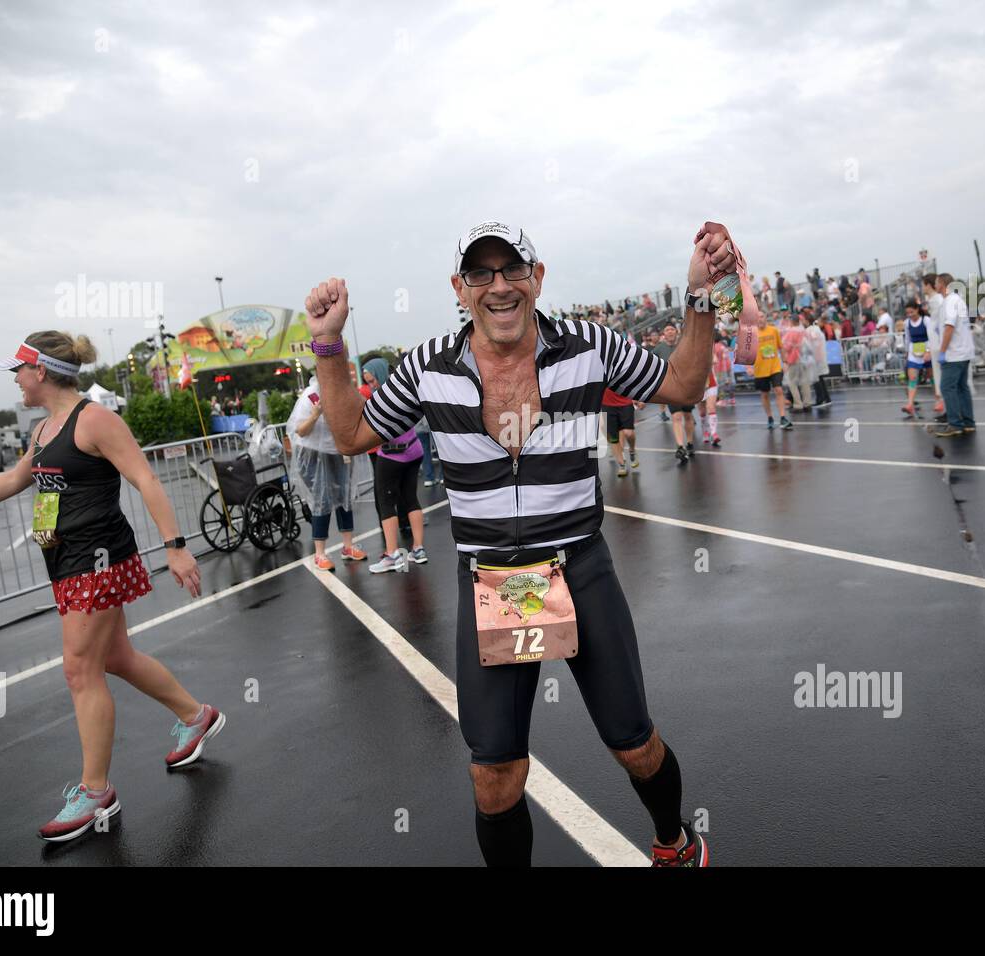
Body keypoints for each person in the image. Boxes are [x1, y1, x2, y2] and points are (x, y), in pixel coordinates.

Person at [305, 220, 725, 867]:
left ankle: (674, 840)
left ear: (538, 277)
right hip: (498, 583)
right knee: (495, 773)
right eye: (481, 273)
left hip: (579, 566)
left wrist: (698, 295)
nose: (499, 286)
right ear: (460, 288)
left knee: (633, 743)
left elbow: (684, 387)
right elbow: (352, 434)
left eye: (512, 269)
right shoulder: (428, 366)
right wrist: (327, 345)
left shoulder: (590, 346)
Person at [0, 331, 222, 842]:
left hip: (97, 559)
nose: (14, 379)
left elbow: (145, 478)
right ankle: (196, 715)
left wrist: (176, 544)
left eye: (19, 369)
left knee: (80, 670)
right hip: (65, 561)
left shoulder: (95, 419)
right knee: (116, 657)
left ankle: (95, 791)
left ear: (42, 371)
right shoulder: (41, 429)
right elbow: (15, 480)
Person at [287, 374, 367, 567]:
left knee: (344, 495)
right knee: (321, 499)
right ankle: (319, 553)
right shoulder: (309, 397)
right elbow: (300, 430)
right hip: (312, 455)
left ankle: (348, 546)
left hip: (337, 451)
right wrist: (315, 415)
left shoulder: (340, 394)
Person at [361, 357, 427, 572]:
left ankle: (393, 554)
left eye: (371, 380)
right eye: (368, 381)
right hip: (414, 449)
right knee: (410, 498)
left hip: (392, 455)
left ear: (378, 374)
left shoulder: (381, 397)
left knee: (386, 501)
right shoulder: (401, 387)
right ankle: (418, 549)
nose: (371, 384)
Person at [933, 273, 976, 437]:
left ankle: (955, 424)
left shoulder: (950, 301)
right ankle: (968, 422)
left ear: (942, 283)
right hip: (964, 351)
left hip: (954, 353)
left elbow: (949, 327)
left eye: (936, 282)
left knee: (947, 387)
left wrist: (942, 351)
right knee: (961, 387)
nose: (935, 285)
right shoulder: (956, 300)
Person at [651, 323, 696, 463]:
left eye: (672, 329)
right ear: (664, 334)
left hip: (686, 387)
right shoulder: (658, 349)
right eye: (667, 330)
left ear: (676, 332)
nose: (670, 332)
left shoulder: (684, 345)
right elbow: (651, 366)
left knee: (688, 416)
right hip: (671, 389)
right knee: (676, 417)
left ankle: (689, 443)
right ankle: (680, 446)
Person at [752, 313, 790, 429]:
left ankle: (783, 417)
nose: (760, 319)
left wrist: (785, 362)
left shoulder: (774, 330)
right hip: (760, 369)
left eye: (762, 316)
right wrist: (747, 366)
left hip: (774, 366)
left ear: (765, 318)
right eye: (757, 317)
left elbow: (781, 347)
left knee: (778, 390)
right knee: (765, 394)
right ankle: (770, 417)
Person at [920, 274, 947, 420]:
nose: (922, 287)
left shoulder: (937, 300)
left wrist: (932, 348)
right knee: (939, 376)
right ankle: (944, 406)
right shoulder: (933, 300)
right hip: (936, 343)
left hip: (939, 344)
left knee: (942, 376)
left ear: (928, 285)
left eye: (923, 284)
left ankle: (947, 409)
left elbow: (939, 325)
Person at [602, 386, 642, 477]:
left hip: (625, 403)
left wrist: (639, 398)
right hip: (607, 404)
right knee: (613, 438)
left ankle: (632, 450)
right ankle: (622, 464)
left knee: (628, 433)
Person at [900, 303, 931, 416]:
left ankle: (939, 399)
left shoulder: (926, 320)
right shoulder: (907, 323)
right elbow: (907, 338)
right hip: (914, 351)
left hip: (927, 349)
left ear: (917, 310)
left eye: (911, 312)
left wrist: (928, 350)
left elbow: (932, 336)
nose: (910, 315)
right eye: (907, 313)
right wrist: (907, 352)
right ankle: (910, 404)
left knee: (931, 376)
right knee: (912, 377)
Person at [780, 312, 811, 412]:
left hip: (794, 358)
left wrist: (784, 358)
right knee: (804, 381)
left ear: (792, 322)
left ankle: (798, 404)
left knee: (792, 382)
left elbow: (786, 347)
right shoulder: (803, 331)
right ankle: (807, 403)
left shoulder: (791, 332)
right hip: (805, 358)